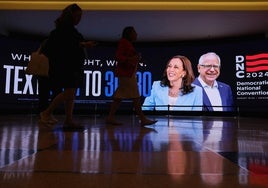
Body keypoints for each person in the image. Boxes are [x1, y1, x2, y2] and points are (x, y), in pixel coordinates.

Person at [40, 3, 96, 126]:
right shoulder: (66, 30)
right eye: (78, 16)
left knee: (71, 93)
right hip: (68, 66)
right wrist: (83, 45)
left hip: (69, 65)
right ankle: (46, 112)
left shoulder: (63, 29)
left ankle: (68, 120)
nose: (79, 19)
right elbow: (67, 46)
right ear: (72, 16)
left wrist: (82, 45)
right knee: (70, 92)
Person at [106, 26, 157, 126]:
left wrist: (136, 59)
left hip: (127, 73)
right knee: (135, 96)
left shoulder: (126, 43)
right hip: (127, 74)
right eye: (134, 32)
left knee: (119, 97)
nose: (136, 34)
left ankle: (110, 117)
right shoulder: (124, 43)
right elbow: (119, 57)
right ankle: (142, 118)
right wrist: (131, 59)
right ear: (129, 34)